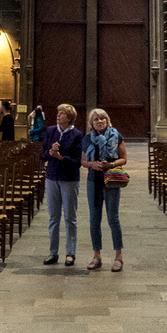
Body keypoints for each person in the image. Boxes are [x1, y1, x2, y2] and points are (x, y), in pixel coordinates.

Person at [82, 107, 127, 272]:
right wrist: (92, 164)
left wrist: (111, 164)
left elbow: (124, 159)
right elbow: (83, 161)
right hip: (93, 181)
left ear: (107, 120)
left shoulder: (117, 136)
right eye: (96, 119)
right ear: (91, 123)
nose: (99, 121)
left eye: (102, 118)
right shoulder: (87, 139)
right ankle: (96, 256)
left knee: (113, 218)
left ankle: (118, 257)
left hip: (112, 181)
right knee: (94, 220)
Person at [40, 103, 82, 266]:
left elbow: (78, 161)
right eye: (58, 113)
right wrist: (50, 153)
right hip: (52, 177)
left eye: (62, 113)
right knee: (53, 217)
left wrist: (61, 158)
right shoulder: (50, 131)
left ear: (70, 117)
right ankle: (53, 252)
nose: (58, 115)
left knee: (70, 217)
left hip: (69, 179)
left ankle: (70, 253)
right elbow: (42, 155)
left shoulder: (77, 135)